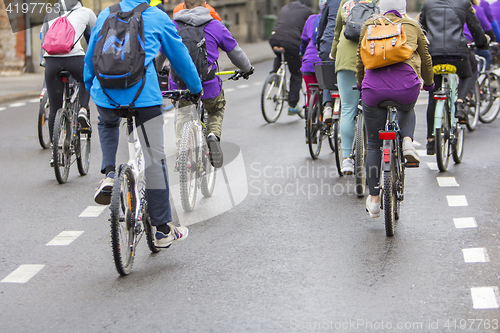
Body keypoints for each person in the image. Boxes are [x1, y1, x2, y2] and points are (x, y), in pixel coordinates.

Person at [84, 0, 203, 248]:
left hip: (105, 94)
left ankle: (109, 174)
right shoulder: (157, 17)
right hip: (143, 97)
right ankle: (162, 230)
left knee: (106, 124)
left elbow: (90, 57)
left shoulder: (105, 13)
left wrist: (92, 87)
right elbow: (179, 56)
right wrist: (195, 87)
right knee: (154, 157)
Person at [356, 0, 434, 218]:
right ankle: (407, 142)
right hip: (405, 87)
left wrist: (361, 83)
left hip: (373, 89)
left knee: (373, 144)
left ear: (381, 7)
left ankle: (373, 199)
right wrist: (428, 83)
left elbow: (360, 59)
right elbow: (426, 59)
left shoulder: (370, 24)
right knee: (407, 108)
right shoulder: (412, 26)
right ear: (404, 7)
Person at [170, 0, 254, 168]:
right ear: (205, 3)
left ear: (184, 4)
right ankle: (213, 136)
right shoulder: (215, 25)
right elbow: (234, 51)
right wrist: (247, 68)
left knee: (183, 113)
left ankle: (183, 152)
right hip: (208, 86)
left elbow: (159, 53)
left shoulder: (172, 26)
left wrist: (158, 71)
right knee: (216, 108)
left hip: (179, 85)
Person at [420, 0, 487, 155]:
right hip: (458, 53)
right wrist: (482, 43)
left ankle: (431, 140)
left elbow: (422, 29)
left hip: (433, 53)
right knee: (466, 75)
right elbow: (475, 28)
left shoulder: (427, 4)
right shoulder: (463, 3)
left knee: (433, 95)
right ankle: (460, 102)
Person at [330, 0, 378, 175]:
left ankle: (347, 158)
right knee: (373, 106)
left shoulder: (346, 1)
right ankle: (375, 151)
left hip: (346, 57)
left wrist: (334, 53)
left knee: (348, 108)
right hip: (373, 56)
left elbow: (336, 31)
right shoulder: (378, 1)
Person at [40, 0, 96, 148]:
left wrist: (44, 62)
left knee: (54, 108)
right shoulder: (86, 12)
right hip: (74, 59)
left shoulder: (50, 12)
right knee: (86, 78)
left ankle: (55, 150)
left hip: (51, 62)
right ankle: (83, 109)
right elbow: (98, 36)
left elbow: (44, 39)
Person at [269, 0, 313, 115]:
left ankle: (274, 75)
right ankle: (292, 105)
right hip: (291, 41)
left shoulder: (286, 7)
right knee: (296, 73)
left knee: (280, 54)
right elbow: (307, 32)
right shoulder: (308, 11)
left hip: (274, 38)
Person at [316, 0, 342, 119]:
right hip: (347, 46)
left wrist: (319, 42)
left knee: (328, 76)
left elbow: (322, 24)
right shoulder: (355, 2)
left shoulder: (331, 2)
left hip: (328, 44)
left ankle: (327, 106)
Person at [300, 1, 325, 109]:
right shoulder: (332, 20)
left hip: (308, 61)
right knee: (325, 90)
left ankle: (309, 115)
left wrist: (302, 52)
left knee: (311, 94)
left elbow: (304, 40)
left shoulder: (311, 19)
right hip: (323, 62)